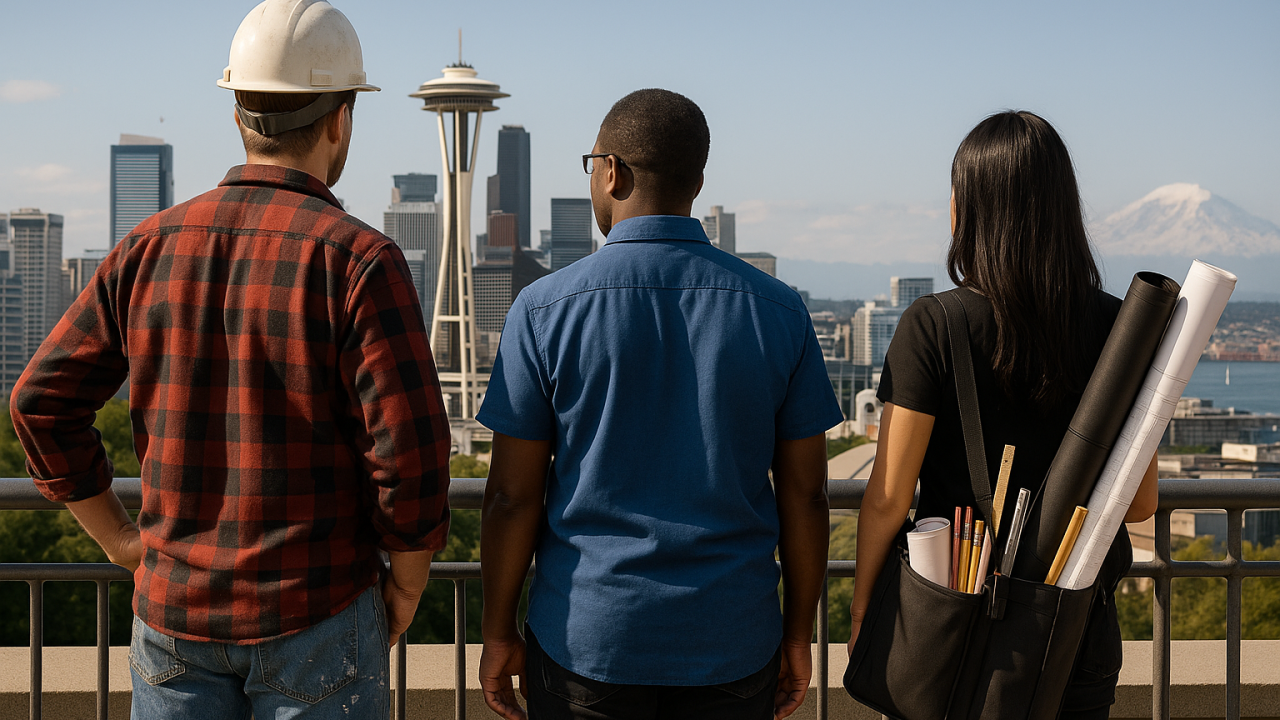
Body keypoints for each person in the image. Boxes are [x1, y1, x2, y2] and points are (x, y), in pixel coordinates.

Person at [10, 1, 451, 717]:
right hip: (319, 610)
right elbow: (412, 455)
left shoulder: (147, 247)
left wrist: (125, 542)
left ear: (238, 114)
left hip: (173, 617)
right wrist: (406, 581)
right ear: (341, 118)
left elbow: (39, 402)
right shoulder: (360, 261)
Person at [476, 89, 843, 720]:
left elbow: (511, 496)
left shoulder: (541, 310)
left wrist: (498, 630)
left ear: (610, 170)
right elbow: (806, 495)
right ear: (698, 181)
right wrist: (797, 634)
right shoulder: (779, 311)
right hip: (732, 641)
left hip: (585, 642)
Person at [846, 110, 1159, 719]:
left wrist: (864, 611)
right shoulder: (1124, 328)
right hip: (1075, 630)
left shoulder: (933, 326)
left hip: (950, 623)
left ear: (968, 208)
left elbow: (887, 496)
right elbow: (1141, 502)